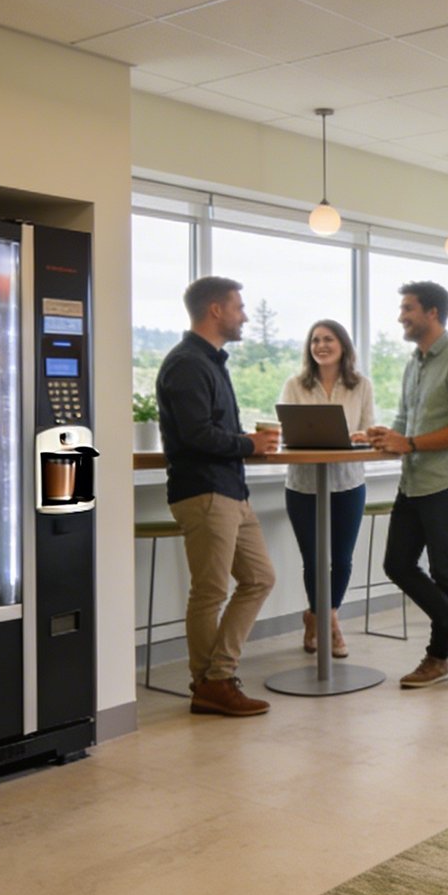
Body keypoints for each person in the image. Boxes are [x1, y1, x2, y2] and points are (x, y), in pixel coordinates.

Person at [155, 276, 280, 718]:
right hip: (205, 491)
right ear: (215, 310)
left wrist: (246, 444)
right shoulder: (187, 363)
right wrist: (249, 444)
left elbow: (210, 429)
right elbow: (196, 435)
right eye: (238, 307)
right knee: (209, 593)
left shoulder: (208, 361)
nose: (243, 315)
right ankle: (213, 683)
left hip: (229, 490)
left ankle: (215, 678)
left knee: (260, 578)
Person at [365, 281, 448, 689]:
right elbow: (406, 420)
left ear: (432, 313)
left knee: (443, 570)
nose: (401, 316)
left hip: (447, 481)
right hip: (414, 480)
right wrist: (387, 436)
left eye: (408, 308)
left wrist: (412, 443)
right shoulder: (415, 363)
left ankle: (438, 658)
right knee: (397, 564)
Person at [278, 319, 376, 660]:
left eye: (328, 339)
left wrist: (362, 436)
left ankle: (321, 617)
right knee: (314, 560)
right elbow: (286, 431)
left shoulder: (361, 385)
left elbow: (369, 429)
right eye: (315, 340)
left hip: (348, 482)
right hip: (303, 485)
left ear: (343, 345)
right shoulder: (295, 385)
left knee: (342, 560)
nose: (320, 345)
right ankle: (330, 624)